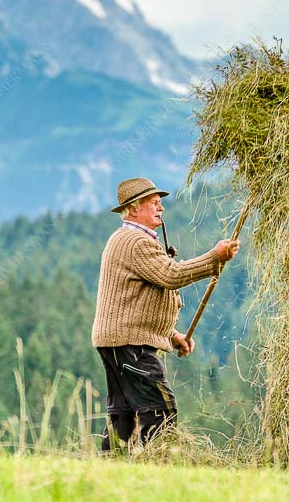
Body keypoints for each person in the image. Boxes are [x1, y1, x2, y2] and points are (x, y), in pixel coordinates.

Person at [91, 177, 239, 450]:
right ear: (134, 209)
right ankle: (155, 463)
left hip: (119, 340)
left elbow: (135, 300)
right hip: (130, 343)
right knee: (160, 408)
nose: (161, 209)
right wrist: (214, 257)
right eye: (154, 204)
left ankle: (112, 467)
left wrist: (170, 335)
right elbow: (170, 275)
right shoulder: (135, 241)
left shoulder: (130, 239)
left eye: (160, 204)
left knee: (123, 414)